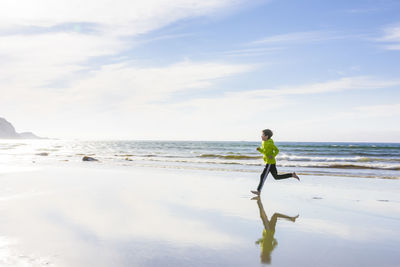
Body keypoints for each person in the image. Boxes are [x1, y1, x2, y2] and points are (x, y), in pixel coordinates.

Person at [251, 129, 299, 195]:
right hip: (269, 162)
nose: (261, 136)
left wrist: (273, 155)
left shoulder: (270, 143)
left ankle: (258, 191)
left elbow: (277, 150)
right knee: (276, 177)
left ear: (266, 136)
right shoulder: (263, 142)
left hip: (270, 163)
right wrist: (260, 150)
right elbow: (265, 152)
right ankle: (292, 175)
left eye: (262, 135)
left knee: (262, 176)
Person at [253, 196, 299, 264]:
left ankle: (291, 218)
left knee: (275, 215)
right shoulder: (267, 249)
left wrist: (259, 241)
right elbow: (271, 241)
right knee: (263, 216)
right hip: (268, 230)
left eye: (261, 257)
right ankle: (258, 200)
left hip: (269, 230)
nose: (260, 257)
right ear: (265, 256)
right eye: (262, 257)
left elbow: (266, 241)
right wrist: (270, 237)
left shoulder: (267, 250)